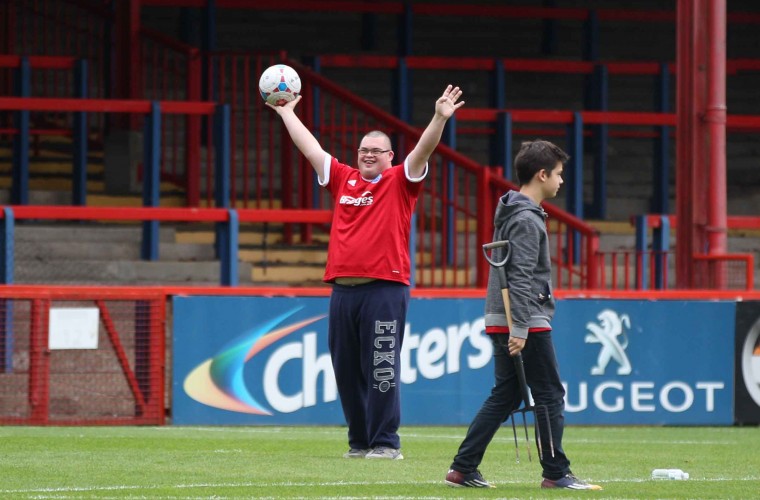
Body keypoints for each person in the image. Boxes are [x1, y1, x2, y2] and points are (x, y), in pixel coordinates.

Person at [267, 85, 465, 460]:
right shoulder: (344, 178)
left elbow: (423, 149)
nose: (368, 155)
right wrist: (286, 113)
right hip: (343, 290)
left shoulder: (401, 182)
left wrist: (439, 117)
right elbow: (310, 149)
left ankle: (386, 443)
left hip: (384, 289)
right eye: (363, 151)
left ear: (390, 157)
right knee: (345, 370)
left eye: (376, 151)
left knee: (382, 368)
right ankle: (359, 442)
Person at [445, 140, 602, 490]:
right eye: (558, 174)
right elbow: (521, 277)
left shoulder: (512, 212)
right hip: (525, 320)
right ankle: (556, 473)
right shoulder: (527, 219)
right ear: (542, 174)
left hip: (504, 317)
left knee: (506, 394)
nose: (561, 181)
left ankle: (463, 468)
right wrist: (520, 327)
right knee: (549, 395)